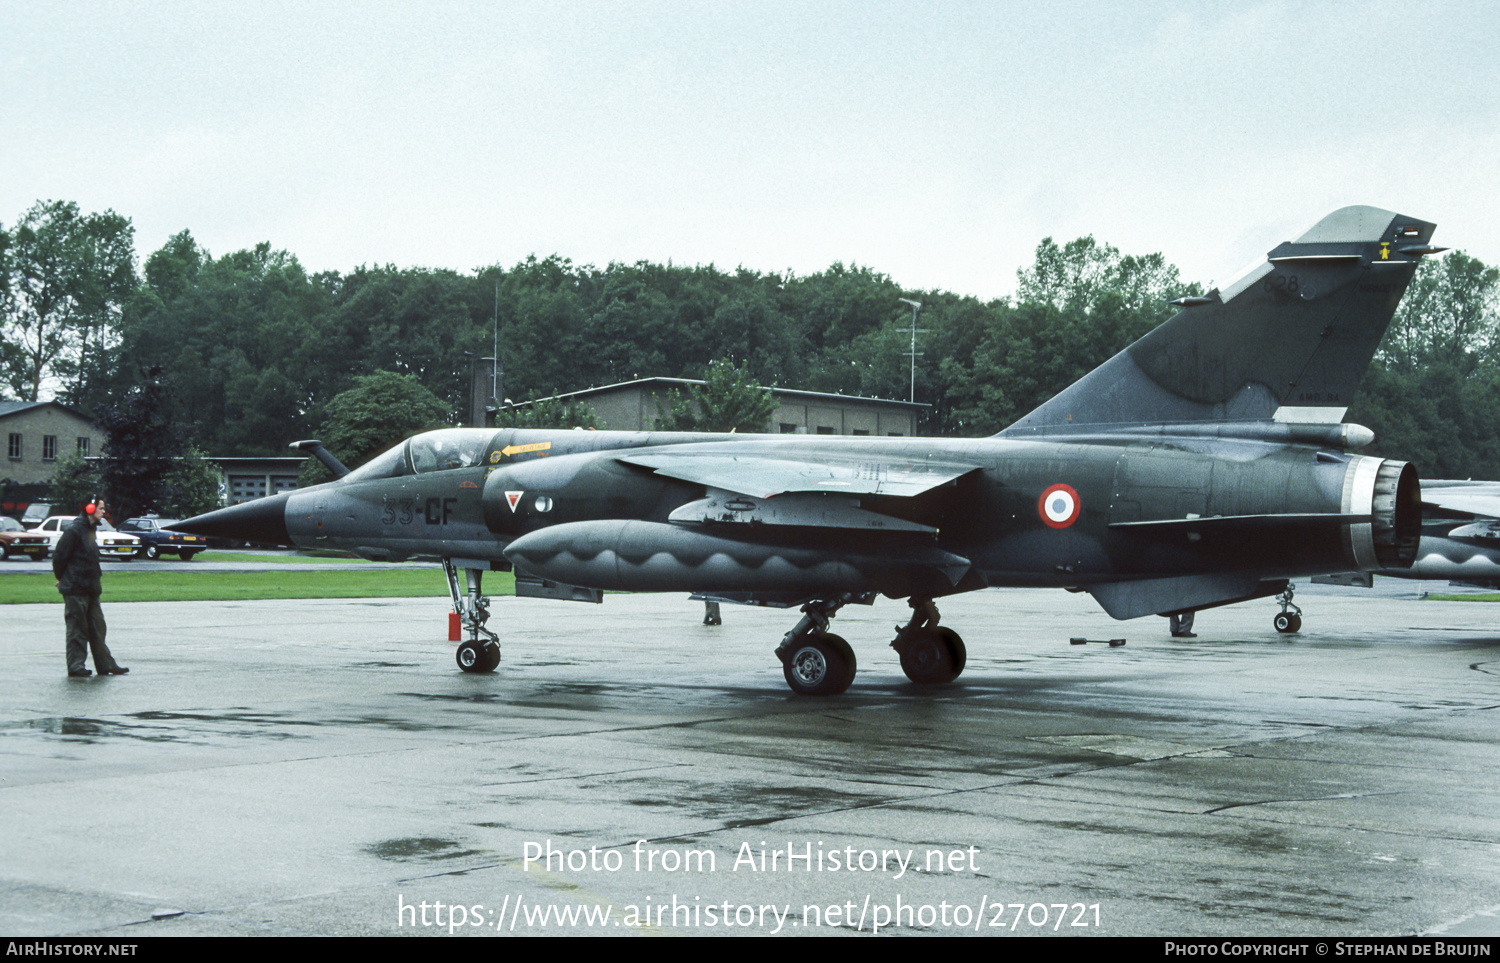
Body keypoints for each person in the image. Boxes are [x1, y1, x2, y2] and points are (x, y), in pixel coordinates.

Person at [54, 498, 128, 678]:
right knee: (77, 630)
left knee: (98, 628)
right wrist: (62, 578)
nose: (104, 512)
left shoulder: (90, 530)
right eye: (101, 509)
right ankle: (76, 666)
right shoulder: (74, 530)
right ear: (90, 508)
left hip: (91, 589)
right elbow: (59, 558)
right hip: (75, 589)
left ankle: (106, 665)